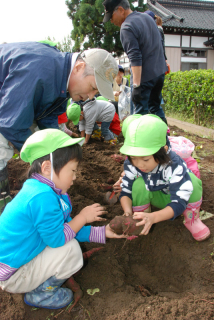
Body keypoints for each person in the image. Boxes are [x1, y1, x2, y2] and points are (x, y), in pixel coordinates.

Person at [0, 129, 125, 309]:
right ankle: (41, 294)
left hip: (19, 261)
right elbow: (58, 238)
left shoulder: (43, 191)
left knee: (68, 240)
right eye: (72, 171)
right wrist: (82, 217)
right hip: (15, 275)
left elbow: (68, 228)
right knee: (71, 250)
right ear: (47, 168)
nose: (75, 177)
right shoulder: (41, 197)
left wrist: (103, 231)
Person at [0, 42, 118, 212]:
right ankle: (3, 205)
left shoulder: (63, 82)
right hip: (6, 109)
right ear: (79, 67)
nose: (90, 97)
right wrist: (42, 158)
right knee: (2, 145)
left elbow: (47, 122)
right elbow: (12, 123)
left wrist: (58, 155)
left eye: (96, 93)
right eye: (92, 87)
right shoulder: (40, 69)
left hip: (10, 107)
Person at [116, 114, 210, 241]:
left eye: (145, 159)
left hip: (178, 199)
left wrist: (155, 217)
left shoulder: (174, 165)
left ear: (164, 150)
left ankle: (191, 219)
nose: (139, 164)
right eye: (133, 158)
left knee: (192, 183)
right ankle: (140, 220)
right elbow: (126, 190)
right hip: (156, 195)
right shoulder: (132, 165)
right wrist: (127, 213)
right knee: (137, 184)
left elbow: (180, 201)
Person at [103, 0, 167, 121]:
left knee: (139, 116)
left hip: (144, 78)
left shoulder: (126, 27)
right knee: (156, 108)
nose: (111, 20)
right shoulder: (147, 18)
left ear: (121, 10)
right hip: (159, 73)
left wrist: (136, 86)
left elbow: (135, 57)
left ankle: (140, 140)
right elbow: (159, 44)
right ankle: (164, 140)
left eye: (111, 16)